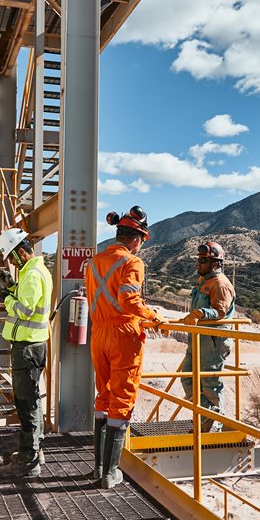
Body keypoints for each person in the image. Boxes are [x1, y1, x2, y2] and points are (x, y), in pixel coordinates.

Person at [85, 206, 165, 489]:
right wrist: (154, 317)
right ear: (137, 239)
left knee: (104, 396)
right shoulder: (133, 262)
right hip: (123, 335)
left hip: (98, 334)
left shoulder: (94, 262)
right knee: (122, 400)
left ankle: (98, 467)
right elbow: (129, 300)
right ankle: (110, 474)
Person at [0, 227, 53, 478]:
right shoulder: (34, 272)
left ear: (19, 252)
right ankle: (35, 449)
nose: (12, 262)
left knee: (26, 403)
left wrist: (6, 299)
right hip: (33, 346)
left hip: (27, 348)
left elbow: (24, 310)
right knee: (31, 399)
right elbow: (29, 300)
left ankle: (29, 460)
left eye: (11, 257)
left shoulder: (32, 275)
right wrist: (11, 289)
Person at [180, 241, 236, 433]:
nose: (199, 263)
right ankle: (207, 416)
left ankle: (214, 425)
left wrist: (200, 313)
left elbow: (220, 311)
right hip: (197, 339)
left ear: (215, 264)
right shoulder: (204, 281)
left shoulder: (221, 284)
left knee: (211, 384)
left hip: (213, 342)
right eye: (199, 260)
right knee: (187, 379)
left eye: (203, 261)